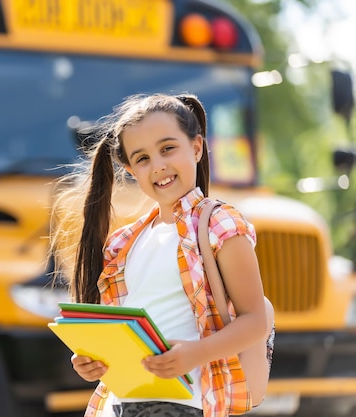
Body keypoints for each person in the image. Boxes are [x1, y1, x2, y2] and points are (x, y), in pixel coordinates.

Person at [50, 93, 274, 417]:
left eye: (167, 148)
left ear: (197, 147)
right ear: (130, 169)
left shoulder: (219, 224)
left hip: (186, 403)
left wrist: (195, 354)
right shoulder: (124, 242)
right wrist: (96, 360)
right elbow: (126, 331)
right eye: (142, 159)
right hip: (118, 406)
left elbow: (255, 321)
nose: (158, 166)